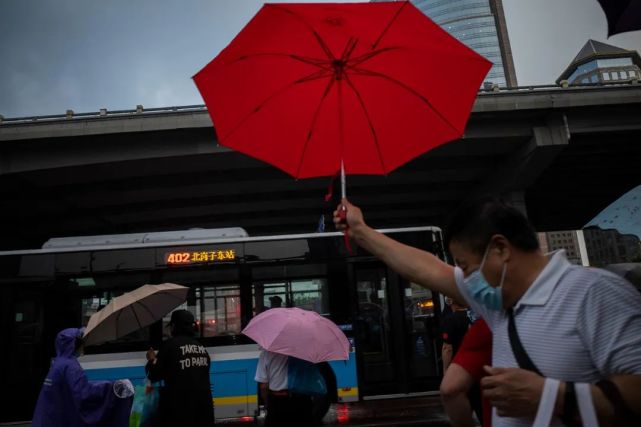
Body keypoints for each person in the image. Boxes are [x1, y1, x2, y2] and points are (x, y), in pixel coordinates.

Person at [334, 196, 641, 426]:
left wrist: (551, 397)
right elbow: (425, 269)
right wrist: (361, 232)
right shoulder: (500, 302)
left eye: (465, 266)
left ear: (501, 249)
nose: (464, 279)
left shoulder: (593, 294)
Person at [32, 327, 133, 427]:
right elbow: (84, 393)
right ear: (75, 345)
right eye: (82, 343)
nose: (84, 346)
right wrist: (113, 387)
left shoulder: (58, 363)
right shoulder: (71, 366)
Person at [146, 310, 214, 427]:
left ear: (174, 326)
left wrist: (151, 359)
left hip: (179, 412)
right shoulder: (201, 348)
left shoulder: (169, 346)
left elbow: (154, 375)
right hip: (204, 412)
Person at [441, 317, 493, 427]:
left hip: (465, 371)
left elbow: (450, 389)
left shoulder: (487, 325)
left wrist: (446, 370)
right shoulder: (479, 323)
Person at [255, 349, 314, 426]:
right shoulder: (304, 351)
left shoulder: (266, 354)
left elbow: (263, 386)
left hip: (278, 402)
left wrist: (267, 404)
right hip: (301, 400)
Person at [440, 296, 470, 372]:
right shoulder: (472, 317)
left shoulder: (450, 320)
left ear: (450, 301)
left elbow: (447, 348)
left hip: (457, 364)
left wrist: (445, 370)